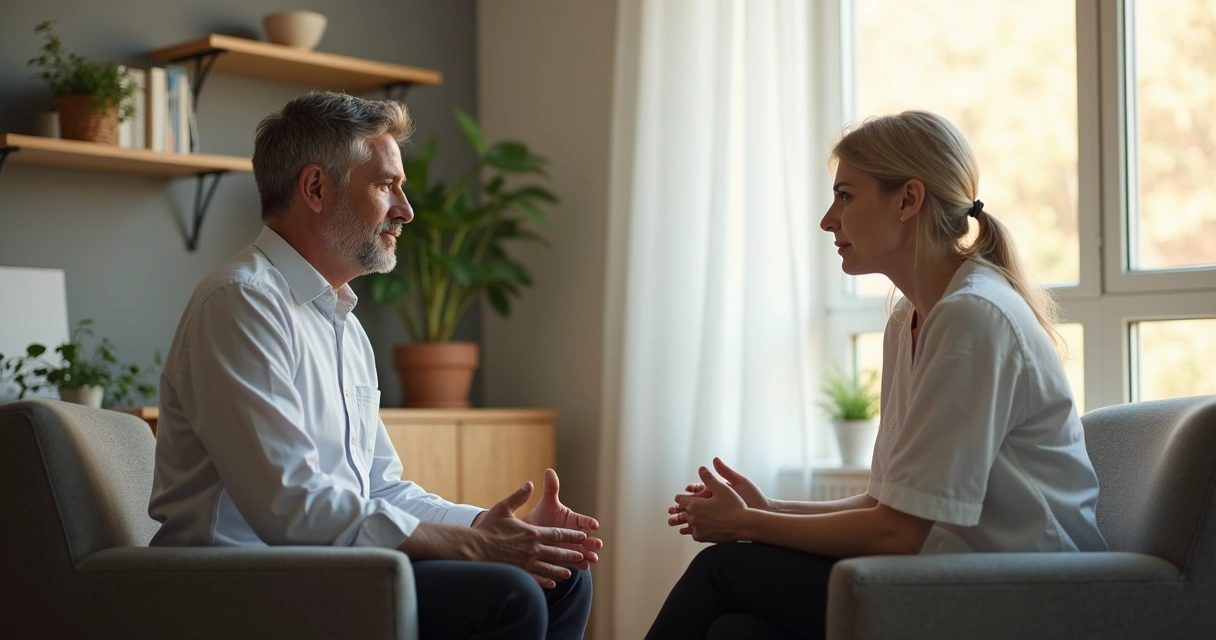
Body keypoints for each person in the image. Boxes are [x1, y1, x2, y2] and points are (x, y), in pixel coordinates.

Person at [148, 91, 600, 640]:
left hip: (335, 567)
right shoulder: (242, 303)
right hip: (245, 581)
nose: (405, 210)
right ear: (315, 188)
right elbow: (290, 509)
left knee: (564, 578)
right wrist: (477, 547)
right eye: (387, 185)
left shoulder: (343, 324)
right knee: (509, 593)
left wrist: (489, 526)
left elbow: (380, 489)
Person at [646, 110, 1107, 640]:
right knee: (739, 629)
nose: (827, 220)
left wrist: (748, 525)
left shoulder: (973, 317)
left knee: (722, 569)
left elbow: (897, 532)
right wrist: (769, 508)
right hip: (948, 578)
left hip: (1021, 597)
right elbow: (884, 501)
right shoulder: (909, 317)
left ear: (909, 200)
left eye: (845, 196)